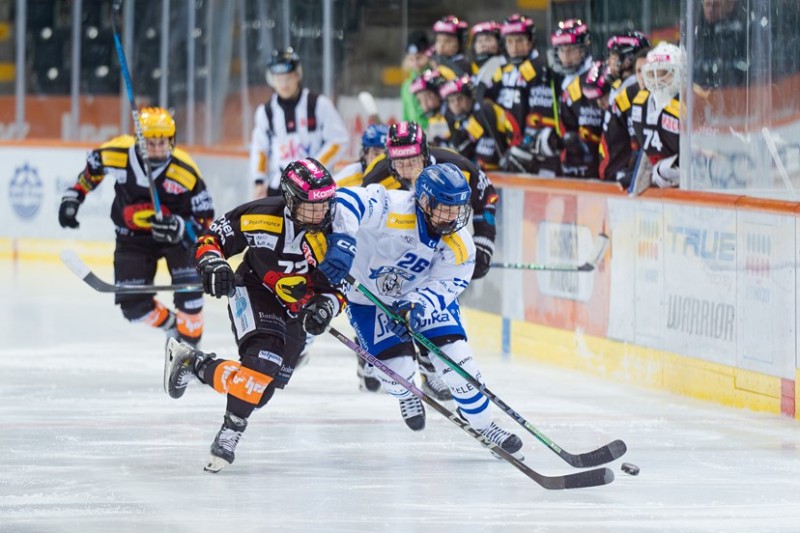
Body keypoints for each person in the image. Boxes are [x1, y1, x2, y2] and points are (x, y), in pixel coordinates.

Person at [316, 162, 523, 457]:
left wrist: (418, 306)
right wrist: (343, 242)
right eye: (446, 208)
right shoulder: (393, 206)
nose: (453, 216)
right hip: (366, 294)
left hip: (419, 295)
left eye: (458, 208)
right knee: (397, 372)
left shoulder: (460, 243)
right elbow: (345, 200)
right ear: (424, 200)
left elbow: (450, 282)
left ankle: (485, 425)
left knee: (458, 363)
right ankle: (406, 393)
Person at [164, 158, 345, 473]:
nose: (321, 213)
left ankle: (194, 364)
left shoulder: (340, 230)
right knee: (264, 359)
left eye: (325, 204)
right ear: (290, 199)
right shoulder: (259, 217)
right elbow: (211, 240)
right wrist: (213, 264)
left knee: (258, 391)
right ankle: (231, 431)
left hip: (299, 310)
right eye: (311, 206)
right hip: (255, 290)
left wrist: (327, 305)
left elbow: (346, 286)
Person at [358, 121, 498, 401]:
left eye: (413, 159)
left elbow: (487, 198)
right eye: (400, 161)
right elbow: (365, 229)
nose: (408, 168)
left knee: (433, 302)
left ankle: (431, 362)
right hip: (400, 252)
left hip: (443, 243)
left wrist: (484, 240)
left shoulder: (455, 165)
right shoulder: (378, 176)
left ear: (425, 151)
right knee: (398, 308)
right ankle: (405, 358)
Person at [58, 107, 213, 348]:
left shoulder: (186, 170)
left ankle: (191, 350)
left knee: (191, 299)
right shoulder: (115, 153)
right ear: (139, 140)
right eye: (151, 143)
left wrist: (182, 227)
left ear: (172, 140)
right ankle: (171, 325)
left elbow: (206, 219)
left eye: (163, 142)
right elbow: (92, 172)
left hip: (177, 240)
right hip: (132, 238)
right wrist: (73, 197)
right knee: (133, 307)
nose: (158, 148)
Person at [249, 47, 349, 199]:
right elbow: (260, 148)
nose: (284, 84)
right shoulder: (265, 112)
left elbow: (339, 140)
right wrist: (259, 180)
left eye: (288, 78)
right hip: (278, 187)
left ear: (297, 76)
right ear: (271, 80)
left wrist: (313, 170)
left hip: (316, 187)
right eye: (278, 79)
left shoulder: (318, 105)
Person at [484, 14, 558, 176]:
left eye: (520, 41)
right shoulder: (504, 69)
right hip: (510, 151)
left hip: (538, 157)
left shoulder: (539, 68)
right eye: (510, 41)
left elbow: (540, 117)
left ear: (531, 41)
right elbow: (486, 103)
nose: (515, 47)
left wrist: (523, 148)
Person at [599, 38, 652, 184]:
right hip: (626, 176)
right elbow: (612, 140)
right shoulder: (623, 94)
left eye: (614, 57)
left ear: (628, 60)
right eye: (639, 71)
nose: (609, 62)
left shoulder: (666, 97)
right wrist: (613, 173)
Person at [439, 74, 515, 170]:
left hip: (505, 166)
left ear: (471, 97)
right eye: (451, 101)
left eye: (460, 98)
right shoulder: (459, 122)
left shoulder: (486, 110)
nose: (456, 104)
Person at [634, 42, 684, 188]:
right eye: (652, 73)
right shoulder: (640, 103)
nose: (657, 80)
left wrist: (664, 170)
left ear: (680, 72)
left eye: (664, 73)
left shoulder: (690, 103)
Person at [557, 60, 610, 178]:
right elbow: (566, 129)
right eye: (593, 98)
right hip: (584, 170)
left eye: (602, 97)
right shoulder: (572, 92)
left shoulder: (624, 100)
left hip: (610, 172)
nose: (599, 102)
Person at [409, 68, 453, 147]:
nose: (425, 105)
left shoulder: (453, 115)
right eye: (420, 100)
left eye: (427, 97)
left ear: (439, 94)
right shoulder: (432, 118)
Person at [401, 31, 433, 128]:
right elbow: (406, 116)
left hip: (433, 135)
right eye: (411, 59)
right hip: (413, 139)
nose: (415, 63)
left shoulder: (435, 80)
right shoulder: (406, 86)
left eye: (419, 58)